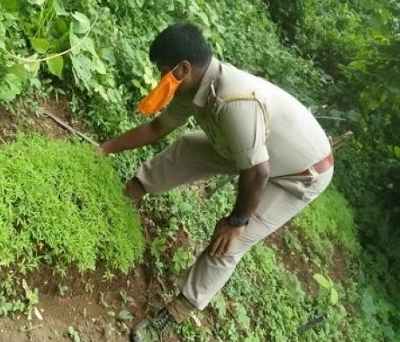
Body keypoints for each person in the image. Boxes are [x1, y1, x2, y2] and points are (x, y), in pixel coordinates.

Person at [99, 21, 334, 342]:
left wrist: (236, 221)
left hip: (300, 173)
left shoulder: (234, 102)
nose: (160, 78)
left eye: (164, 70)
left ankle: (175, 313)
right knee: (188, 146)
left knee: (230, 241)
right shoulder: (192, 84)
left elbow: (258, 173)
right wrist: (105, 148)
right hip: (255, 150)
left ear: (183, 68)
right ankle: (127, 194)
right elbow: (158, 129)